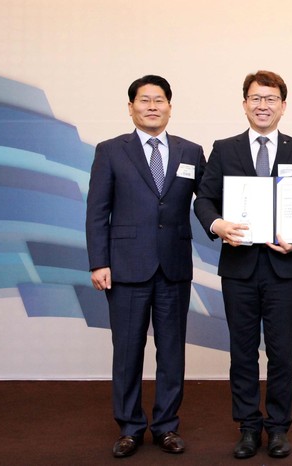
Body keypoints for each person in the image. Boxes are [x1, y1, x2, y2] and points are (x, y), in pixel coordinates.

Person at [193, 70, 292, 459]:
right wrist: (217, 225)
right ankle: (248, 427)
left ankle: (278, 428)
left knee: (282, 353)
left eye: (271, 99)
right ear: (245, 103)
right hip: (239, 269)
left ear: (283, 105)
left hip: (285, 270)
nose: (263, 105)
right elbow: (204, 199)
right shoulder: (224, 148)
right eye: (256, 98)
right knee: (242, 352)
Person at [85, 75, 205, 458]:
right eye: (144, 100)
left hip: (174, 267)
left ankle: (167, 426)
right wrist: (99, 262)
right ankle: (130, 427)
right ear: (131, 107)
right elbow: (97, 211)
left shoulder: (191, 151)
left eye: (159, 100)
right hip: (125, 267)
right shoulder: (110, 151)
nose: (152, 106)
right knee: (127, 351)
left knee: (171, 352)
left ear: (170, 107)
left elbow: (209, 201)